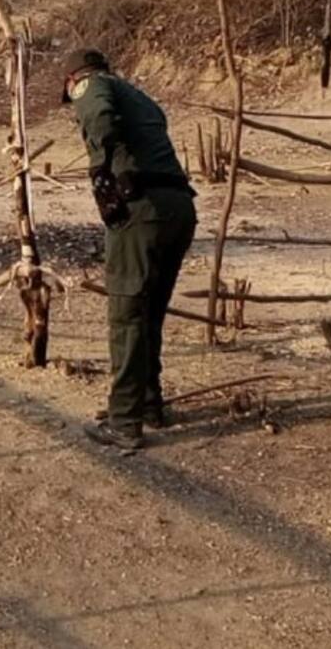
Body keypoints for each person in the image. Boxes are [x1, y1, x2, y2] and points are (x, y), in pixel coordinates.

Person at [62, 48, 198, 450]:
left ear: (72, 80)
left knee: (126, 315)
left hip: (142, 210)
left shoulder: (92, 86)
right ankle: (148, 405)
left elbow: (99, 117)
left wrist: (101, 171)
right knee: (150, 312)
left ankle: (124, 422)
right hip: (179, 207)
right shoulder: (137, 94)